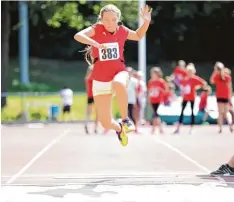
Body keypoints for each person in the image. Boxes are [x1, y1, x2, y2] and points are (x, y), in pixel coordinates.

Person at [74, 4, 152, 146]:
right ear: (101, 20)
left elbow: (139, 35)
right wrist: (95, 43)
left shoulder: (122, 30)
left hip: (119, 72)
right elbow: (78, 36)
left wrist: (146, 21)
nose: (110, 23)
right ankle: (119, 129)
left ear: (118, 19)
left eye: (113, 19)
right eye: (106, 20)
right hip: (100, 79)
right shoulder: (96, 29)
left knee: (118, 83)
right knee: (105, 122)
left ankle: (125, 119)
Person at [174, 63, 206, 134]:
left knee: (192, 112)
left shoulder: (195, 78)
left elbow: (203, 83)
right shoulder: (184, 79)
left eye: (190, 72)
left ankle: (192, 128)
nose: (189, 73)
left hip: (192, 98)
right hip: (185, 98)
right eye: (188, 71)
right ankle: (178, 128)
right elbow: (182, 88)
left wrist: (196, 88)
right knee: (182, 112)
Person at [210, 62, 233, 133]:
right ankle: (230, 126)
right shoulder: (227, 77)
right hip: (226, 96)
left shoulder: (216, 76)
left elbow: (211, 81)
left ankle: (220, 128)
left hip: (220, 96)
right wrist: (230, 97)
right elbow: (230, 87)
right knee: (226, 113)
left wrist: (214, 72)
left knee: (220, 113)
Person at [148, 67, 167, 134]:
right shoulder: (150, 82)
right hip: (153, 100)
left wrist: (159, 89)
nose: (153, 75)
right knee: (155, 114)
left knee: (156, 114)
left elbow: (166, 91)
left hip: (159, 100)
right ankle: (158, 129)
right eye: (152, 73)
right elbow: (149, 91)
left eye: (154, 73)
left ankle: (156, 129)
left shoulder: (161, 81)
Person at [84, 65, 98, 134]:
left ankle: (87, 125)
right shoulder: (92, 77)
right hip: (95, 96)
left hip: (90, 96)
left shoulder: (87, 78)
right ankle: (95, 128)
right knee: (97, 113)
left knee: (89, 112)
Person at [127, 67, 138, 132]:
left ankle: (136, 127)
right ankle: (128, 127)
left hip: (131, 100)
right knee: (125, 115)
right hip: (125, 99)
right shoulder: (124, 80)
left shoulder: (134, 81)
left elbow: (136, 91)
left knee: (131, 114)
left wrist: (135, 101)